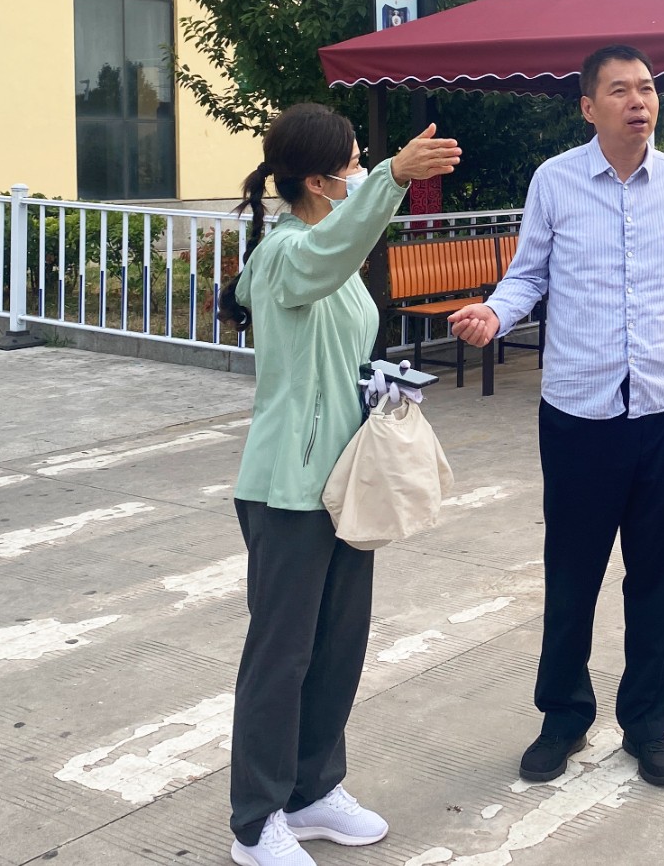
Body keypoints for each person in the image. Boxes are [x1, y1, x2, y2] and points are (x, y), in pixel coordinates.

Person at [449, 45, 664, 788]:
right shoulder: (555, 180)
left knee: (656, 579)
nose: (639, 101)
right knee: (572, 576)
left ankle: (648, 726)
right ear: (588, 107)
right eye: (621, 90)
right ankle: (564, 717)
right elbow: (528, 275)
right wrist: (494, 314)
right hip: (580, 411)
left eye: (648, 89)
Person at [218, 104, 460, 866]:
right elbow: (333, 249)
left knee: (336, 648)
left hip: (347, 480)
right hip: (287, 487)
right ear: (319, 182)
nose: (360, 172)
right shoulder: (286, 254)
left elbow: (337, 321)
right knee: (280, 656)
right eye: (353, 164)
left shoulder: (330, 252)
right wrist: (391, 179)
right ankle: (256, 820)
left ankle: (313, 790)